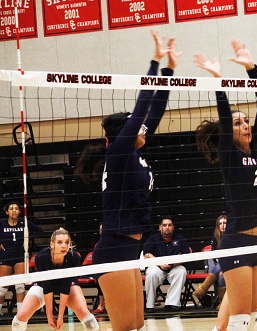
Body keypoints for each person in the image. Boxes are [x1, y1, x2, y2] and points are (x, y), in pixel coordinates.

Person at [74, 29, 181, 331]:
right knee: (125, 328)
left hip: (129, 251)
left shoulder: (133, 152)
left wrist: (169, 69)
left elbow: (155, 109)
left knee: (136, 325)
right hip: (113, 251)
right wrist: (154, 61)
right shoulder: (119, 151)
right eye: (139, 129)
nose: (145, 130)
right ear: (126, 133)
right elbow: (141, 107)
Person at [194, 38, 257, 331]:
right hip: (237, 241)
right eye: (239, 123)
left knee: (254, 317)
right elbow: (226, 121)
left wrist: (251, 67)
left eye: (246, 122)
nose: (246, 125)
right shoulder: (229, 155)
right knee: (239, 319)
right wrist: (218, 80)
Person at [11, 228, 99, 331]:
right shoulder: (42, 257)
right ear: (52, 244)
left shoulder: (73, 257)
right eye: (60, 242)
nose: (64, 246)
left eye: (67, 242)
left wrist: (60, 316)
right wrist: (49, 314)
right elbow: (47, 288)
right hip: (44, 285)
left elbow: (65, 288)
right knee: (19, 319)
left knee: (88, 319)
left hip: (67, 285)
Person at [0, 201, 43, 314]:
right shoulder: (2, 223)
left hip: (20, 256)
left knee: (20, 286)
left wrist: (28, 238)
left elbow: (40, 231)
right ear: (7, 212)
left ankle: (20, 313)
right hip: (5, 256)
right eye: (11, 209)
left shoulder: (23, 222)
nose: (14, 211)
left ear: (19, 211)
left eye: (16, 209)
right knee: (2, 287)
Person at [143, 217, 190, 313]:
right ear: (160, 227)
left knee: (181, 271)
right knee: (151, 273)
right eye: (164, 225)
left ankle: (171, 304)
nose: (167, 227)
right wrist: (160, 264)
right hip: (157, 267)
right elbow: (146, 254)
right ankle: (149, 305)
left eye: (169, 225)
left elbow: (186, 255)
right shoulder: (153, 238)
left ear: (173, 227)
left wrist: (173, 264)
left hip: (173, 267)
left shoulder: (180, 239)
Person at [194, 215, 227, 306]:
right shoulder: (215, 238)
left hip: (233, 266)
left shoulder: (232, 238)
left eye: (225, 223)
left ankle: (204, 288)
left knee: (222, 263)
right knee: (221, 276)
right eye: (220, 223)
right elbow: (213, 256)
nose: (222, 225)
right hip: (220, 268)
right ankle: (222, 303)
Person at [91, 223, 106, 314]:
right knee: (99, 275)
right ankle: (101, 305)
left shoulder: (115, 242)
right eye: (100, 230)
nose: (101, 232)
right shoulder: (98, 245)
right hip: (101, 270)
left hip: (115, 270)